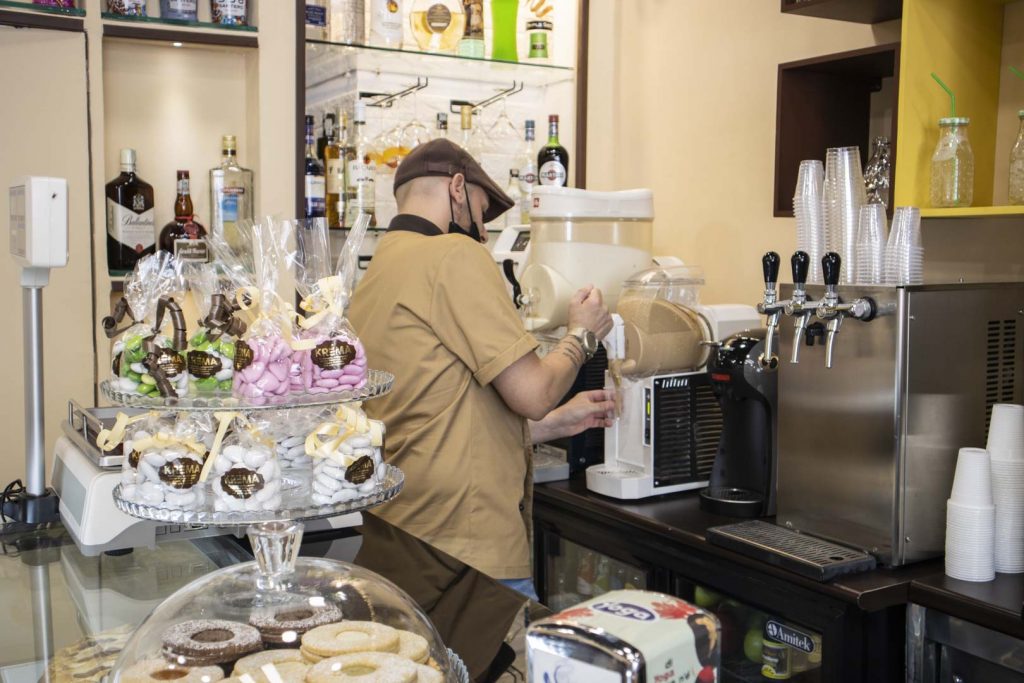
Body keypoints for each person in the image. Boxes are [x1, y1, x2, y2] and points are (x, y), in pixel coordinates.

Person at [348, 139, 615, 600]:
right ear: (456, 187)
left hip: (397, 535)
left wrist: (556, 423)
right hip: (465, 552)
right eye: (482, 210)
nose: (485, 235)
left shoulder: (374, 273)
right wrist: (582, 335)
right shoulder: (453, 254)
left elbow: (434, 413)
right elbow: (532, 393)